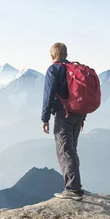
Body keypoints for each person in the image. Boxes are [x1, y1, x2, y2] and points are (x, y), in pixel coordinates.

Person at [41, 42, 85, 201]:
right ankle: (75, 186)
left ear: (52, 56)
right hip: (78, 114)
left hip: (63, 114)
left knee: (64, 150)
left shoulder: (54, 69)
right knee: (71, 149)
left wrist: (44, 118)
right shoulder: (74, 70)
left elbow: (49, 95)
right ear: (65, 54)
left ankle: (73, 189)